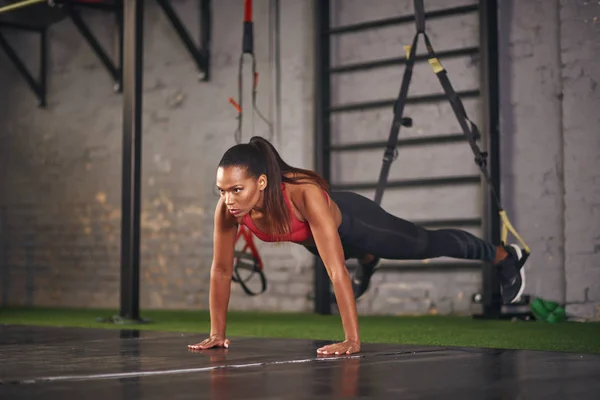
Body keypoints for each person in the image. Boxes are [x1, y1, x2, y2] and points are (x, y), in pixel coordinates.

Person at [188, 136, 528, 356]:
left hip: (354, 222)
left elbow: (336, 271)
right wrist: (217, 333)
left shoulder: (304, 195)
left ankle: (502, 255)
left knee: (422, 243)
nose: (228, 199)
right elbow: (220, 270)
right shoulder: (229, 211)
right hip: (315, 239)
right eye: (221, 190)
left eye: (236, 190)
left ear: (261, 183)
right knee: (333, 250)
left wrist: (352, 339)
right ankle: (367, 258)